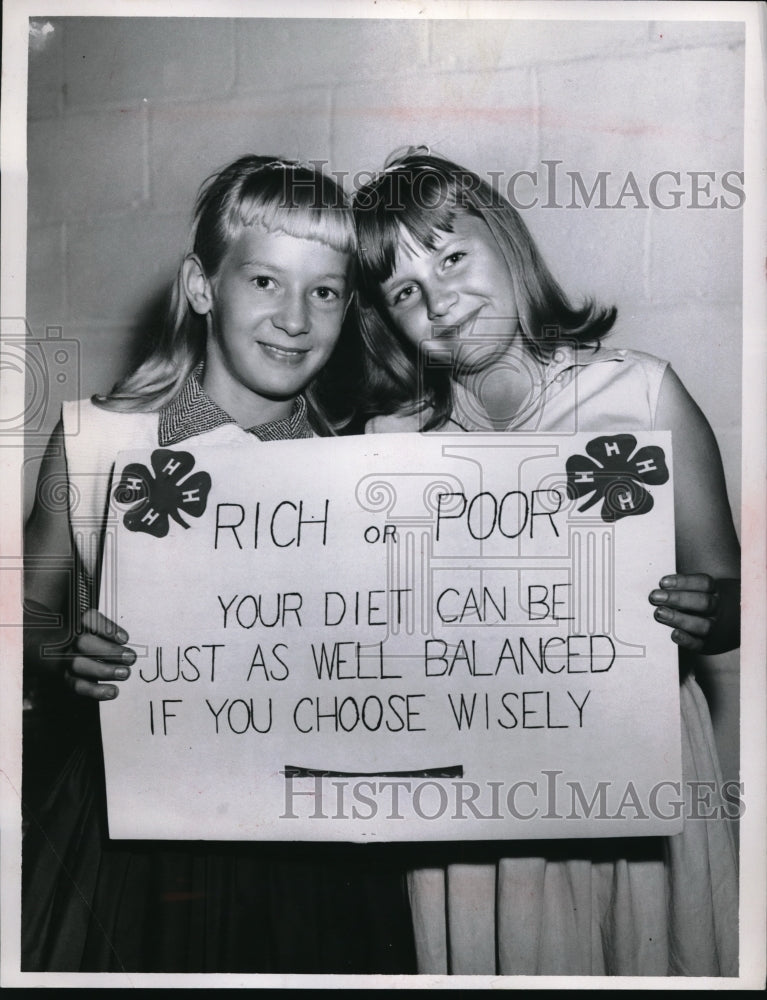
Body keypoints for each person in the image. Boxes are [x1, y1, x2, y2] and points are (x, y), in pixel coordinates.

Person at [350, 147, 740, 976]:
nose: (438, 300)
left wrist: (706, 608)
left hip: (634, 767)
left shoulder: (641, 392)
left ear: (505, 239)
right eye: (404, 292)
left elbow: (730, 595)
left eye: (450, 257)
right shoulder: (389, 446)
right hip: (471, 793)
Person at [22, 155, 415, 974]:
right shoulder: (98, 439)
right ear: (202, 287)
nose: (294, 319)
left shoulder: (366, 472)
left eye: (324, 292)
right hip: (128, 828)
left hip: (311, 841)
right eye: (265, 281)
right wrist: (65, 653)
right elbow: (25, 610)